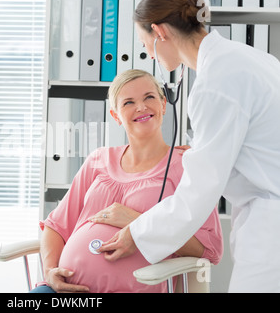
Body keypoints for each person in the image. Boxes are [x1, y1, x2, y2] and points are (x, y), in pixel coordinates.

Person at [99, 0, 280, 293]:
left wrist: (137, 232)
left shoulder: (216, 82)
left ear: (159, 33)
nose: (150, 54)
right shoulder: (250, 58)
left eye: (145, 45)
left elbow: (199, 192)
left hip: (271, 222)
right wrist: (202, 152)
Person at [32, 69, 223, 293]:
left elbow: (210, 250)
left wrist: (138, 223)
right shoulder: (98, 160)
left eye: (149, 97)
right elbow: (56, 227)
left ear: (163, 104)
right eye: (128, 102)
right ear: (115, 116)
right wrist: (50, 273)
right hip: (63, 291)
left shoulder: (186, 167)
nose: (141, 107)